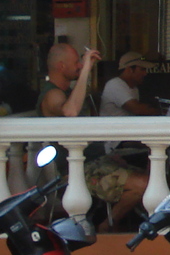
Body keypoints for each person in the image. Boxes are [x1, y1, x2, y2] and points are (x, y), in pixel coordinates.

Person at [38, 42, 147, 230]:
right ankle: (105, 228)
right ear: (61, 66)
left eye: (81, 63)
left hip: (95, 161)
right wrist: (87, 69)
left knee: (153, 178)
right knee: (142, 185)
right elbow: (70, 111)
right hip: (78, 167)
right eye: (76, 63)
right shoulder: (52, 94)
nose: (79, 65)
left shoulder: (67, 92)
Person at [101, 51, 159, 117]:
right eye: (142, 69)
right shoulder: (115, 84)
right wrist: (158, 111)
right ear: (129, 69)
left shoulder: (134, 87)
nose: (145, 73)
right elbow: (137, 109)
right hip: (113, 127)